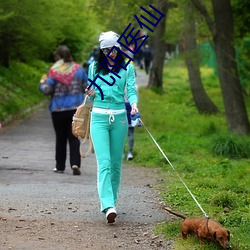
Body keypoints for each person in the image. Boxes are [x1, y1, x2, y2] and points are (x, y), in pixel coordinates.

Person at [86, 31, 138, 223]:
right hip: (98, 118)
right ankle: (108, 205)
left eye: (113, 49)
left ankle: (112, 201)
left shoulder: (127, 68)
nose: (111, 53)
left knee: (116, 164)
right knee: (105, 163)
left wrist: (134, 104)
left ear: (118, 48)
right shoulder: (94, 67)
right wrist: (90, 92)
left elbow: (131, 90)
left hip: (120, 119)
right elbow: (91, 95)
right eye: (106, 50)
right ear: (102, 51)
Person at [39, 45, 88, 175]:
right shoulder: (79, 70)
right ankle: (75, 163)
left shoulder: (54, 71)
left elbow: (47, 90)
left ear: (58, 57)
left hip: (58, 109)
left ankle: (60, 166)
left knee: (60, 138)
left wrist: (42, 83)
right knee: (74, 137)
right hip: (75, 109)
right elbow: (87, 86)